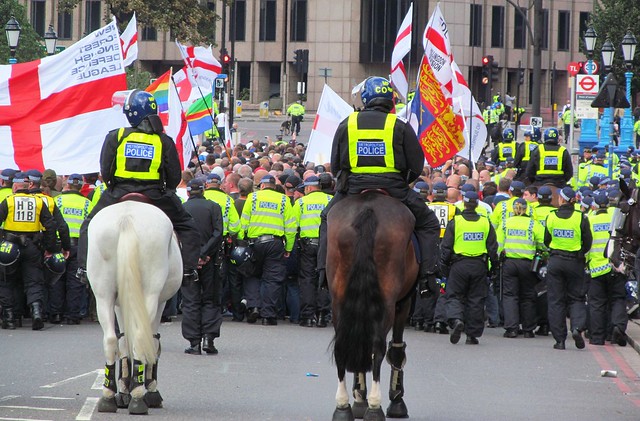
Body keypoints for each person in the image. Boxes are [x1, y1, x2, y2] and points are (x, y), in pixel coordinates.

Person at [316, 77, 441, 298]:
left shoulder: (348, 123)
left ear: (365, 98)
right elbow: (415, 164)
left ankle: (323, 273)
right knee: (429, 223)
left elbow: (336, 163)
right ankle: (428, 277)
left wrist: (345, 181)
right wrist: (403, 181)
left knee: (327, 218)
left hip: (353, 188)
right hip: (394, 188)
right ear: (390, 99)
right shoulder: (399, 124)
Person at [76, 91, 200, 284]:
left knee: (89, 224)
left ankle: (84, 268)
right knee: (188, 226)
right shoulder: (163, 140)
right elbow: (174, 176)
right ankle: (188, 271)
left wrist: (113, 186)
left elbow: (106, 169)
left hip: (118, 192)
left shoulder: (116, 136)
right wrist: (165, 189)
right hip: (155, 194)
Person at [0, 172, 59, 330]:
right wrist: (49, 247)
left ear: (15, 186)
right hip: (32, 246)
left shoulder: (9, 201)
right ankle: (36, 312)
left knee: (6, 281)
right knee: (34, 281)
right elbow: (50, 225)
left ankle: (9, 317)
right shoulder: (38, 201)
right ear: (28, 186)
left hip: (10, 246)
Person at [441, 191, 499, 345]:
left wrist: (444, 266)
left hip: (459, 265)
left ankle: (456, 320)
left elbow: (446, 247)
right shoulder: (485, 222)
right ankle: (472, 335)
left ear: (464, 203)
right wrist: (494, 268)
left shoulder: (456, 222)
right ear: (477, 204)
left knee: (454, 295)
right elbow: (493, 248)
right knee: (476, 300)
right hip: (479, 265)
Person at [238, 175, 296, 325]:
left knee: (251, 274)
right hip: (275, 243)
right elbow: (291, 227)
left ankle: (254, 306)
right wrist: (288, 248)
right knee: (272, 279)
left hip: (255, 243)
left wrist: (241, 241)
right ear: (274, 186)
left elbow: (244, 222)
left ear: (262, 186)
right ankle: (268, 315)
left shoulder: (252, 198)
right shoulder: (283, 200)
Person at [544, 187, 592, 350]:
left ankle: (559, 340)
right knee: (576, 298)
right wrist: (579, 253)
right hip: (575, 262)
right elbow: (588, 242)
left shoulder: (551, 216)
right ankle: (577, 327)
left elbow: (546, 240)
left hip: (556, 261)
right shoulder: (580, 217)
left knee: (556, 300)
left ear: (562, 199)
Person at [182, 178, 224, 355]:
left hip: (188, 261)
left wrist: (195, 256)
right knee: (210, 299)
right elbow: (218, 233)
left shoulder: (182, 209)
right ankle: (208, 338)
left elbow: (179, 236)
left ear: (188, 192)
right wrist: (205, 253)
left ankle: (194, 343)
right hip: (210, 260)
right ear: (203, 190)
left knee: (190, 301)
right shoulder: (214, 207)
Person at [497, 198, 545, 338]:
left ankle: (512, 329)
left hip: (510, 263)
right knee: (528, 296)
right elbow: (543, 244)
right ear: (526, 209)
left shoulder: (505, 223)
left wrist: (496, 260)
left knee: (510, 296)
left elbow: (499, 245)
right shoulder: (533, 224)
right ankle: (528, 329)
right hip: (528, 264)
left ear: (513, 209)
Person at [587, 193, 627, 346]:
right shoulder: (616, 217)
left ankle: (597, 337)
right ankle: (617, 327)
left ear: (594, 206)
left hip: (597, 268)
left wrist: (586, 263)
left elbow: (587, 245)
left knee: (597, 303)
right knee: (618, 299)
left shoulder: (590, 220)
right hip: (616, 266)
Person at [52, 174, 93, 325]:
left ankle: (56, 313)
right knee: (75, 281)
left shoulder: (57, 200)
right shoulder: (87, 203)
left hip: (59, 244)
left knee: (57, 279)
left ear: (67, 185)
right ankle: (72, 315)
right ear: (81, 187)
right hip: (79, 246)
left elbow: (50, 222)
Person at [293, 176, 333, 328]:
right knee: (324, 278)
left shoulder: (301, 202)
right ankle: (322, 315)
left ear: (309, 188)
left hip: (308, 245)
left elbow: (293, 225)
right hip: (327, 245)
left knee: (307, 279)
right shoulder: (330, 200)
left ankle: (308, 316)